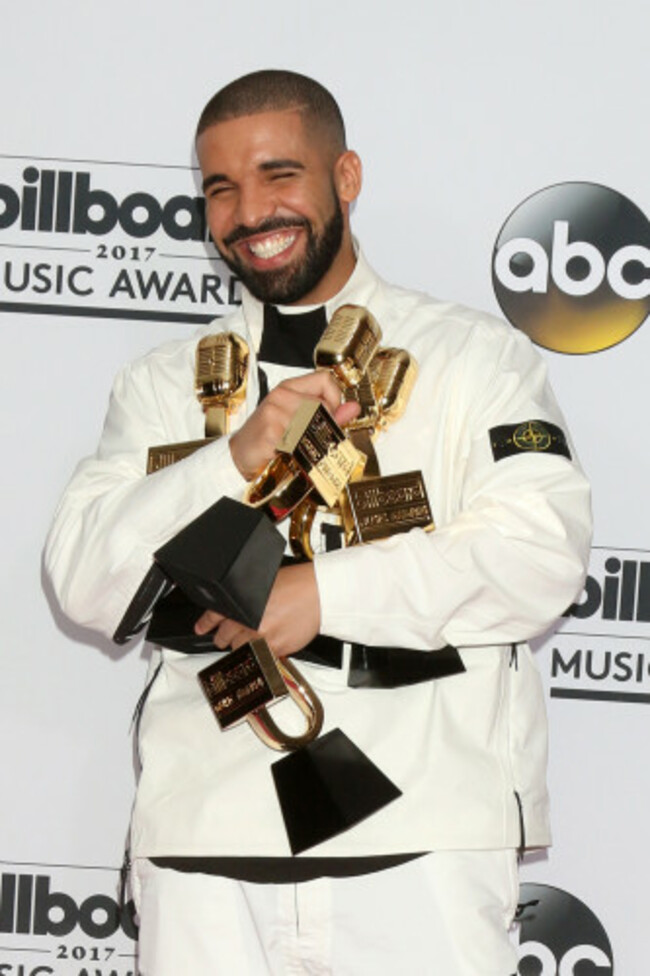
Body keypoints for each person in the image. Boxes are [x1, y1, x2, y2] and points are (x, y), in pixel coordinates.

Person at [44, 69, 592, 975]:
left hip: (423, 839)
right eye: (221, 187)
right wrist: (233, 457)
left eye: (278, 175)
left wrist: (317, 595)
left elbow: (539, 555)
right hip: (202, 846)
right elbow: (84, 583)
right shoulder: (159, 384)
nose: (250, 210)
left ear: (346, 176)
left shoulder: (472, 360)